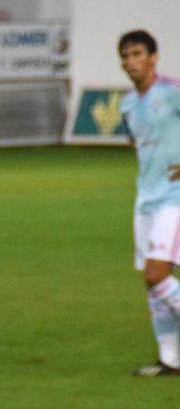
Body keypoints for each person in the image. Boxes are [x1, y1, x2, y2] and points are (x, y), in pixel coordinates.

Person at [118, 29, 180, 377]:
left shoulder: (172, 92)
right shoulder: (128, 103)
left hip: (174, 198)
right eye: (125, 56)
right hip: (146, 200)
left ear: (153, 57)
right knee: (152, 282)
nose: (131, 62)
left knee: (158, 275)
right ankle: (170, 360)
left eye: (137, 54)